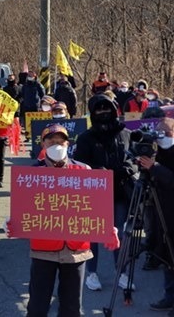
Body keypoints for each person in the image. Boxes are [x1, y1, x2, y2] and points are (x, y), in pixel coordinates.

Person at [9, 124, 119, 317]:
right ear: (43, 144)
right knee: (37, 306)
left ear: (68, 144)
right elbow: (22, 209)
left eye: (61, 141)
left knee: (72, 308)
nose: (56, 145)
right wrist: (11, 223)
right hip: (43, 249)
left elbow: (96, 208)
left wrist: (109, 229)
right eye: (51, 141)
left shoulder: (84, 170)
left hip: (77, 251)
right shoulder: (32, 175)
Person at [74, 94, 136, 291]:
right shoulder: (86, 138)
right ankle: (91, 273)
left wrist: (128, 168)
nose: (103, 112)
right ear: (93, 113)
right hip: (95, 193)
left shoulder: (125, 133)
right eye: (98, 109)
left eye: (106, 108)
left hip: (120, 191)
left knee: (120, 232)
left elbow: (134, 158)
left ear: (114, 109)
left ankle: (122, 272)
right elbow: (78, 164)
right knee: (93, 233)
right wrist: (96, 170)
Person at [137, 118, 174, 313]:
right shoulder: (157, 152)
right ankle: (169, 297)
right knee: (168, 256)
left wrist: (155, 168)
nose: (163, 137)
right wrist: (146, 167)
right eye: (159, 133)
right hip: (161, 211)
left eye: (167, 133)